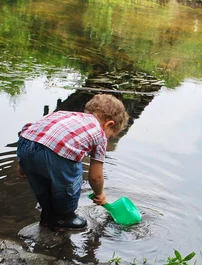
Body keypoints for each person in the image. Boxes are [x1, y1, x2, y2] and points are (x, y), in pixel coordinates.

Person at [16, 94, 129, 229]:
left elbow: (35, 132)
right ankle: (65, 217)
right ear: (109, 124)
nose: (108, 139)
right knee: (71, 179)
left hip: (25, 143)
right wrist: (100, 194)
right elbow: (96, 177)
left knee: (41, 185)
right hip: (56, 153)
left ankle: (47, 216)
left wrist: (23, 164)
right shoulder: (99, 134)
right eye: (111, 135)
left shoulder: (65, 115)